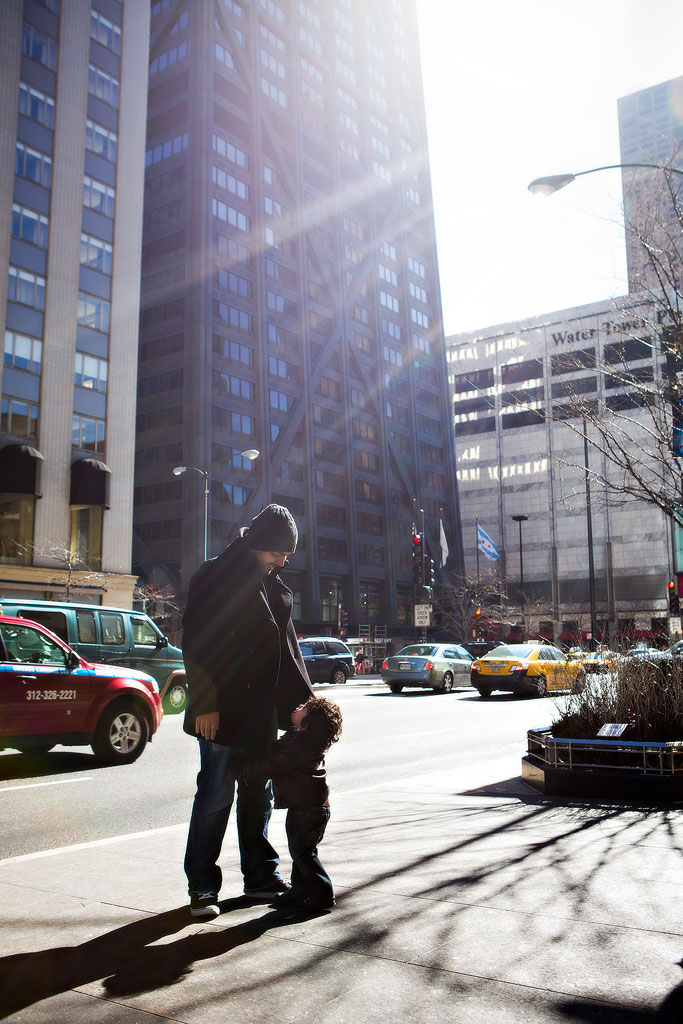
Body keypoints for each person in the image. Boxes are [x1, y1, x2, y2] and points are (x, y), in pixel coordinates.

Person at [181, 504, 314, 918]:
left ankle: (260, 877)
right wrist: (205, 704)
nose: (283, 560)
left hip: (260, 714)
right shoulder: (213, 575)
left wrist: (306, 706)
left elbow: (288, 653)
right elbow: (197, 645)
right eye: (277, 552)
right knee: (216, 795)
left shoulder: (275, 587)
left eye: (287, 554)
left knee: (258, 795)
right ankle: (203, 887)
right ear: (256, 543)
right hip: (221, 710)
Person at [231, 696, 342, 914]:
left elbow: (272, 765)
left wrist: (242, 769)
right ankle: (299, 892)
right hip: (312, 809)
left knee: (303, 854)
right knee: (302, 853)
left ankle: (322, 893)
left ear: (307, 725)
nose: (299, 706)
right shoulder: (302, 740)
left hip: (306, 811)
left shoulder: (298, 746)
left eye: (304, 708)